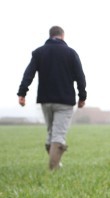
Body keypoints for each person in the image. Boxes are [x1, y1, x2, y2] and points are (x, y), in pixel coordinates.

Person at [17, 26, 87, 170]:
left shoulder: (39, 52)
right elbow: (80, 77)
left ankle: (56, 163)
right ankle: (53, 168)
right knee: (59, 134)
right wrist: (82, 97)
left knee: (51, 132)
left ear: (50, 35)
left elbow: (28, 74)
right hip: (65, 101)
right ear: (63, 35)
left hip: (45, 99)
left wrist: (22, 93)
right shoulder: (71, 53)